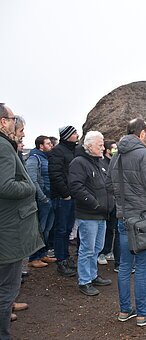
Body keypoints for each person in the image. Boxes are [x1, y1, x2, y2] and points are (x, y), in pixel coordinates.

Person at [108, 118, 146, 326]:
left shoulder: (116, 156)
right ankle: (143, 314)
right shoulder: (144, 154)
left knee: (125, 266)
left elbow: (109, 184)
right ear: (142, 133)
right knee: (143, 267)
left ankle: (125, 311)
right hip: (143, 220)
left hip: (123, 218)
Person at [0, 103, 44, 339]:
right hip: (9, 230)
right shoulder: (3, 147)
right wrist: (29, 186)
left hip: (7, 227)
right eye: (12, 118)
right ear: (2, 122)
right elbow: (5, 185)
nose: (20, 130)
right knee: (7, 288)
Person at [69, 131, 113, 296]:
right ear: (89, 146)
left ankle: (93, 275)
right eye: (100, 145)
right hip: (89, 214)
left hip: (101, 214)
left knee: (97, 248)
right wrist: (94, 203)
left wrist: (110, 203)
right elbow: (76, 187)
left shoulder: (100, 162)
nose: (103, 147)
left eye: (102, 144)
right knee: (87, 249)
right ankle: (85, 281)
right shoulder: (79, 163)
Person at [48, 125, 79, 277]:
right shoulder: (58, 151)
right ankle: (61, 260)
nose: (77, 134)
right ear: (67, 135)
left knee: (67, 229)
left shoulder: (73, 150)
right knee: (61, 229)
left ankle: (66, 257)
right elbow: (55, 175)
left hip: (72, 196)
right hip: (63, 197)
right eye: (74, 133)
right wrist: (66, 194)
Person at [26, 135, 57, 268]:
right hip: (42, 200)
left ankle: (43, 253)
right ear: (41, 146)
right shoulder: (34, 158)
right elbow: (33, 180)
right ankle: (34, 257)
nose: (51, 146)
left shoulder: (46, 158)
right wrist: (42, 198)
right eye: (48, 144)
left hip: (49, 198)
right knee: (40, 228)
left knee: (47, 228)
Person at [98, 140, 119, 267]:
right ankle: (101, 252)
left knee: (112, 228)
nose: (116, 150)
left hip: (115, 201)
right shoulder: (101, 163)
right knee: (105, 229)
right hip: (106, 201)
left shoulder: (115, 162)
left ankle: (107, 251)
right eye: (113, 148)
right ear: (107, 150)